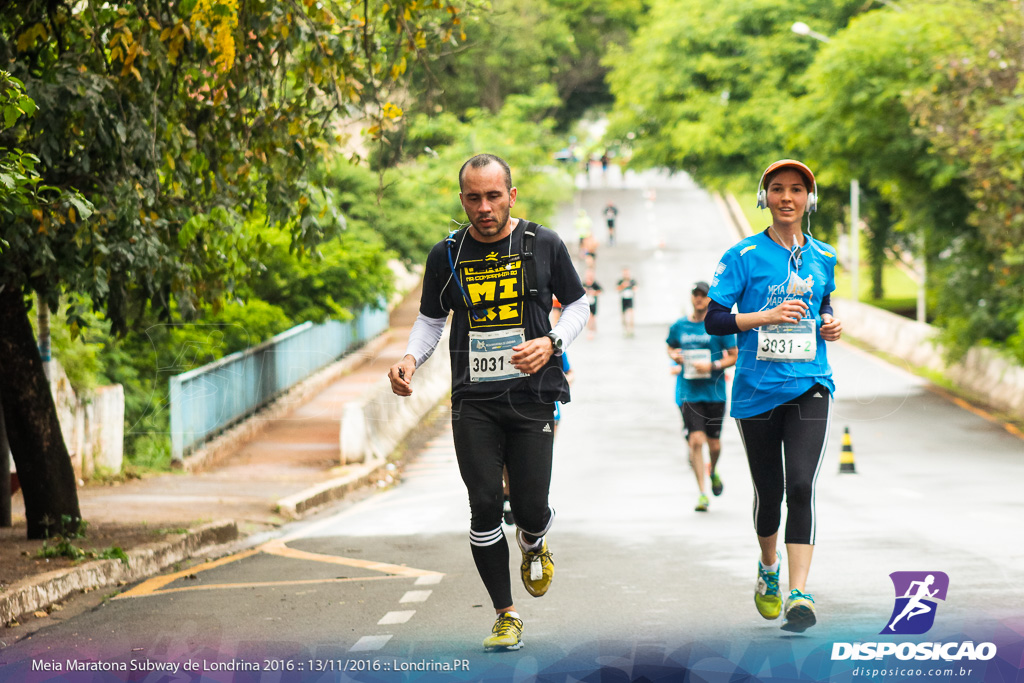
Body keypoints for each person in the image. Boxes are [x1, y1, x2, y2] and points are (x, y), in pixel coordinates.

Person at [388, 154, 589, 652]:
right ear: (462, 200)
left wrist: (554, 342)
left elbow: (580, 304)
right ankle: (506, 614)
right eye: (474, 198)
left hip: (532, 396)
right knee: (483, 505)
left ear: (511, 196)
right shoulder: (448, 254)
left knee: (529, 508)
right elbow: (431, 319)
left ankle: (534, 540)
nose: (484, 207)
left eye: (493, 196)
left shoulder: (543, 243)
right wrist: (410, 360)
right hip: (473, 400)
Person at [705, 159, 843, 633]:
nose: (788, 198)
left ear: (810, 199)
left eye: (797, 190)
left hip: (810, 384)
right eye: (778, 190)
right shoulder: (742, 255)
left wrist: (830, 323)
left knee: (801, 485)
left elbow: (824, 306)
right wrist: (762, 317)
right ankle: (769, 570)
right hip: (756, 392)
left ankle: (800, 592)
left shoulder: (824, 255)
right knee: (771, 492)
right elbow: (716, 320)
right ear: (765, 198)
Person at [666, 281, 737, 512]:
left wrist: (712, 365)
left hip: (714, 393)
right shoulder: (680, 325)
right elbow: (670, 347)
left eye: (703, 295)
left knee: (714, 444)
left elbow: (734, 355)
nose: (699, 298)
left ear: (709, 299)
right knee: (696, 440)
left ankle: (713, 470)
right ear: (691, 298)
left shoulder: (718, 326)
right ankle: (702, 492)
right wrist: (675, 356)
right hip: (689, 392)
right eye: (695, 294)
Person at [616, 267, 638, 337]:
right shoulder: (620, 281)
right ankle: (625, 329)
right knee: (624, 316)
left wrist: (630, 286)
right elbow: (617, 289)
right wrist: (623, 286)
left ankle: (631, 329)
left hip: (630, 299)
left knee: (630, 314)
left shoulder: (632, 281)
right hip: (623, 299)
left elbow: (636, 288)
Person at [582, 270, 603, 337]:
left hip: (593, 303)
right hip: (586, 303)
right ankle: (590, 330)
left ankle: (592, 329)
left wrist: (594, 293)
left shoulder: (595, 284)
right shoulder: (583, 284)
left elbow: (600, 291)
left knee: (592, 317)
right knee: (589, 317)